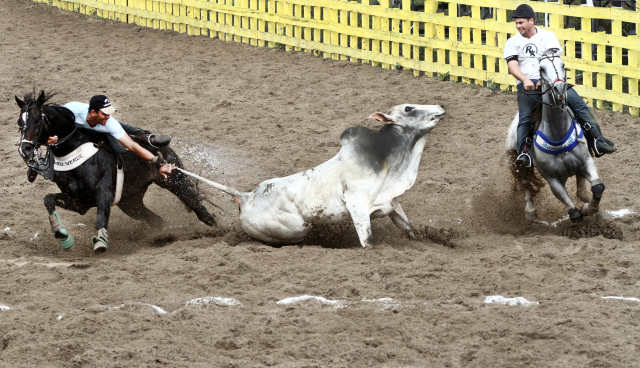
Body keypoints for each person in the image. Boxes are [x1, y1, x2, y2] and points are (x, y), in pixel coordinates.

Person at [504, 3, 615, 168]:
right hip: (528, 86)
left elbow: (553, 61)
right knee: (525, 117)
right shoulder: (513, 42)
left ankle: (597, 141)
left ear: (531, 21)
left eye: (521, 22)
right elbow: (512, 66)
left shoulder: (548, 36)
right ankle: (524, 153)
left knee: (579, 106)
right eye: (517, 23)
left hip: (553, 82)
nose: (518, 26)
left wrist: (547, 80)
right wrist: (525, 79)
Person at [27, 95, 174, 182]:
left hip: (100, 130)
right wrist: (51, 138)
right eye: (104, 113)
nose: (108, 116)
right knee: (56, 143)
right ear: (92, 112)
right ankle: (39, 164)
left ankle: (147, 137)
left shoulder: (108, 123)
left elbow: (132, 146)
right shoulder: (71, 110)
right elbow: (51, 123)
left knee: (122, 143)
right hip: (76, 128)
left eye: (109, 113)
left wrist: (156, 161)